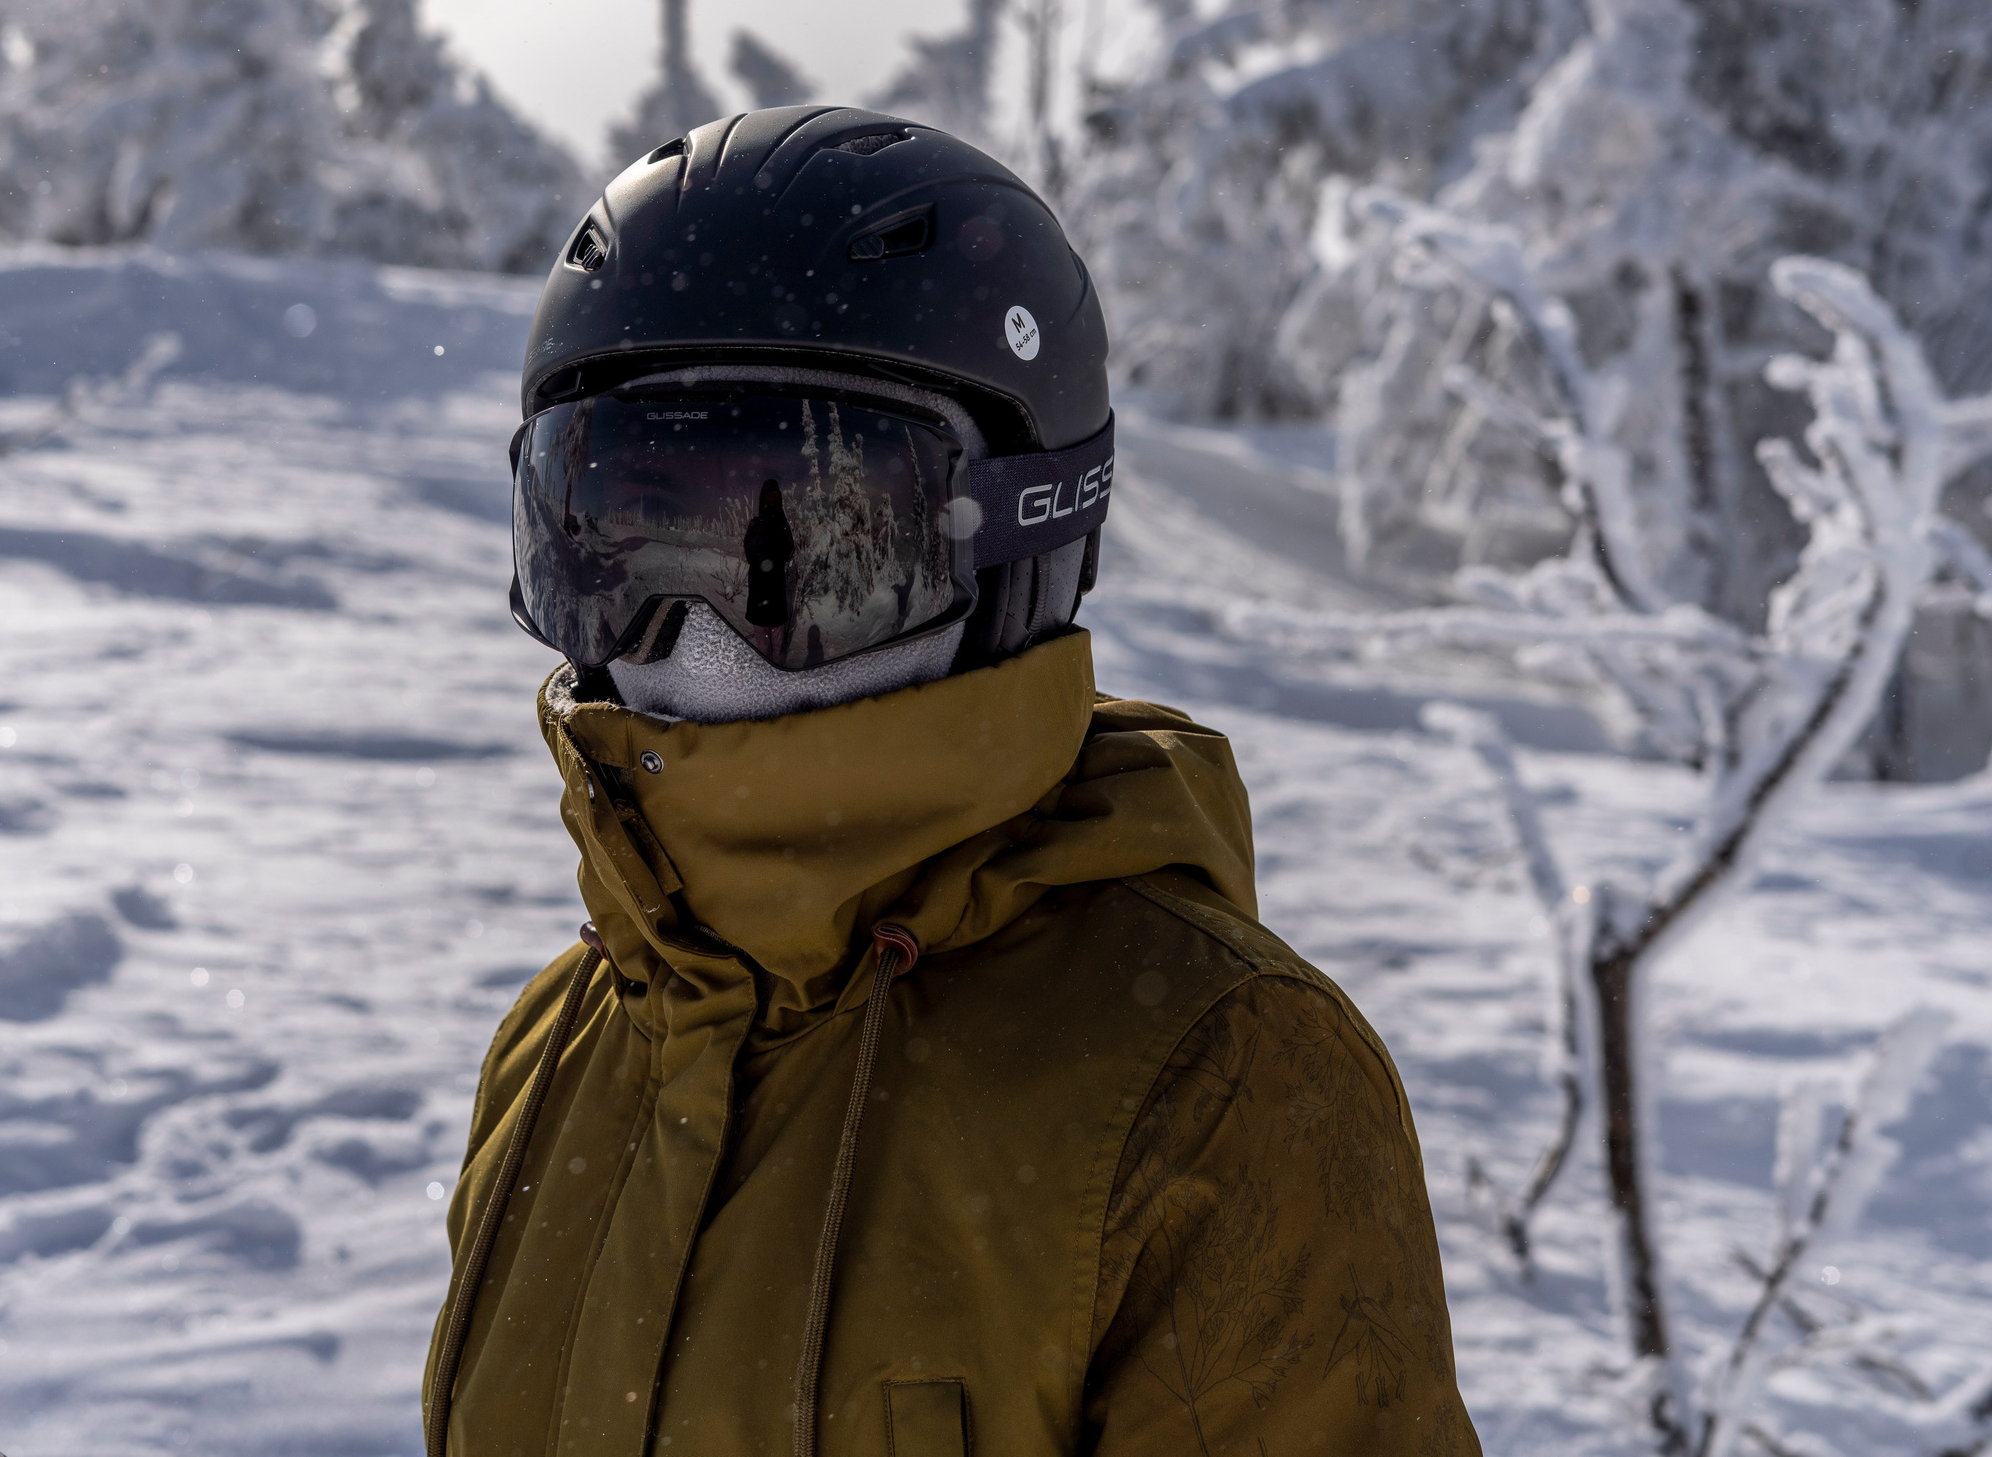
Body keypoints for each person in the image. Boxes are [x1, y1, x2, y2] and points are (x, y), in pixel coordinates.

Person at [434, 108, 1479, 1456]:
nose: (693, 649)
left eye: (810, 560)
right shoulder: (562, 1036)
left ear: (1023, 542)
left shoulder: (1223, 1075)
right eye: (617, 542)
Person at [742, 477, 795, 662]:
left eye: (774, 496)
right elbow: (750, 553)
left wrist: (770, 553)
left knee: (777, 642)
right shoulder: (756, 523)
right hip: (759, 588)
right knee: (763, 643)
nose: (771, 500)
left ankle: (776, 668)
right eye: (768, 496)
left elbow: (788, 551)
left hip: (775, 588)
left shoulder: (782, 524)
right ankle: (766, 668)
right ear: (763, 498)